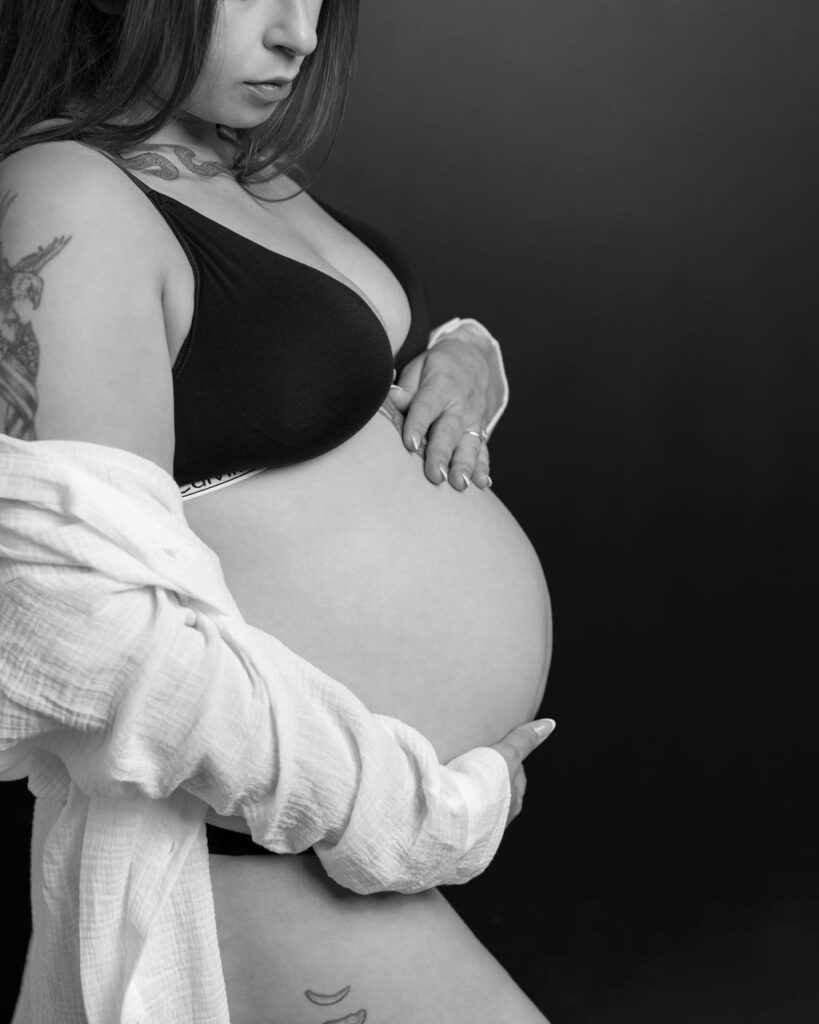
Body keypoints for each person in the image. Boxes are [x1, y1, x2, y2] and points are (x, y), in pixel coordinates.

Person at [0, 1, 554, 1021]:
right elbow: (77, 628)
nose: (298, 35)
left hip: (315, 849)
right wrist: (413, 813)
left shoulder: (232, 158)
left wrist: (463, 358)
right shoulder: (62, 192)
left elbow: (294, 372)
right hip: (252, 855)